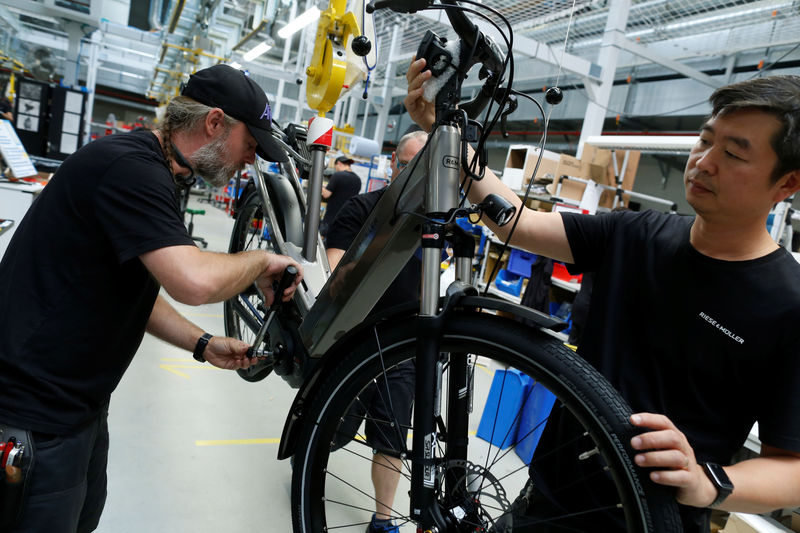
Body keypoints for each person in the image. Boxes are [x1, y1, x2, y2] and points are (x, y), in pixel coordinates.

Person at [406, 59, 800, 532]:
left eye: (734, 154)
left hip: (650, 521)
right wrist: (446, 133)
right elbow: (520, 223)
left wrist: (709, 482)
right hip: (544, 502)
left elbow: (792, 466)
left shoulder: (789, 304)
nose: (704, 161)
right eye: (704, 139)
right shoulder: (634, 234)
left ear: (787, 183)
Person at [0, 64, 303, 532]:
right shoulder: (132, 167)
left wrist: (202, 343)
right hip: (35, 413)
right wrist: (259, 262)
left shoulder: (158, 169)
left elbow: (135, 293)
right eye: (250, 145)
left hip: (78, 409)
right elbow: (192, 281)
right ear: (215, 122)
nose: (249, 161)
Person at [326, 130, 428, 533]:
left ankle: (383, 521)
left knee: (391, 439)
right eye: (408, 167)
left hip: (403, 346)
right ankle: (307, 458)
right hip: (353, 341)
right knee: (335, 430)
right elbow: (334, 276)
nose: (414, 178)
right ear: (392, 163)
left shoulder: (432, 224)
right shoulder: (360, 210)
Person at [319, 154, 363, 237]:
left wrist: (319, 185)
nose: (336, 169)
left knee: (321, 243)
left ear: (338, 163)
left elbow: (326, 194)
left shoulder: (337, 176)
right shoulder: (358, 179)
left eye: (335, 167)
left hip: (332, 217)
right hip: (347, 218)